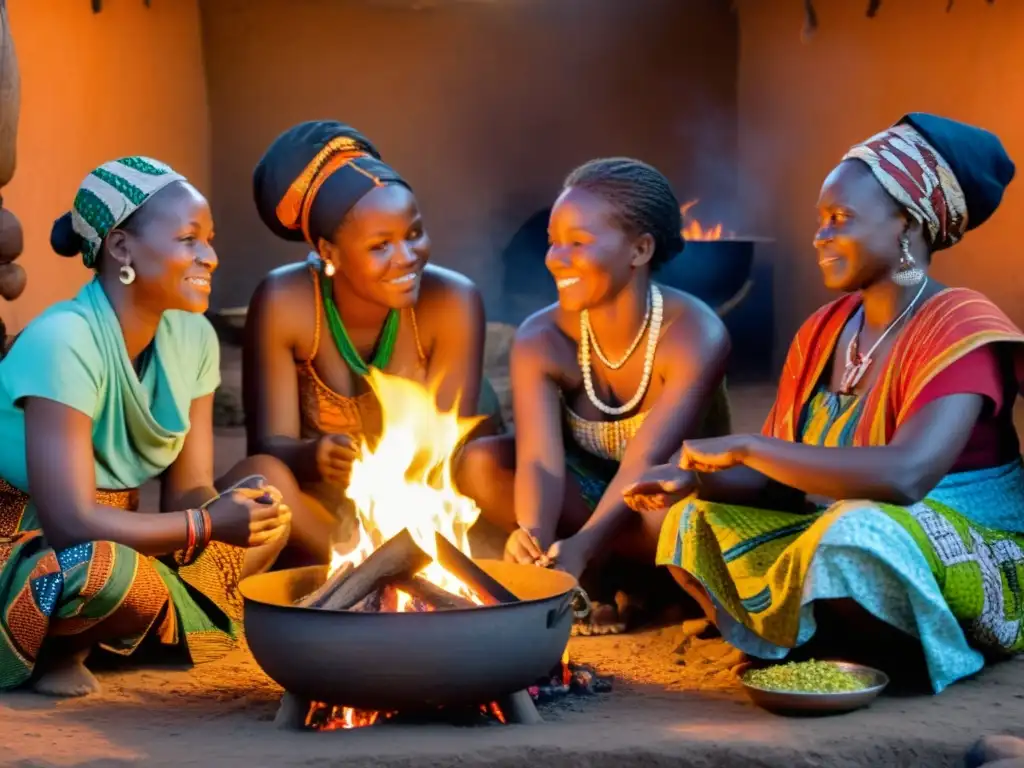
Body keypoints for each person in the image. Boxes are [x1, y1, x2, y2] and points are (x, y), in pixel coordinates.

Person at [625, 113, 1024, 692]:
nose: (821, 236)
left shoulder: (961, 325)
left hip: (962, 549)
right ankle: (823, 641)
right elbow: (784, 487)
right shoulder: (824, 330)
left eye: (841, 220)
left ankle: (912, 649)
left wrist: (747, 446)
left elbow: (907, 477)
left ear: (907, 226)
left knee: (855, 533)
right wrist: (698, 481)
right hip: (837, 525)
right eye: (820, 220)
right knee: (686, 521)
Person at [0, 156, 309, 698]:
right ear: (120, 247)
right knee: (101, 570)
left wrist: (233, 516)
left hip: (129, 543)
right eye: (190, 239)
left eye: (210, 240)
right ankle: (89, 633)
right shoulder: (63, 340)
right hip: (23, 548)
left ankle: (129, 624)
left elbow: (190, 490)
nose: (209, 258)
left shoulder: (193, 339)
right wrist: (205, 527)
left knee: (269, 500)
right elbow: (71, 522)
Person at [457, 158, 732, 634]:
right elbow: (540, 461)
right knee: (480, 462)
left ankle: (635, 582)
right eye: (552, 241)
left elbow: (647, 464)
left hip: (658, 514)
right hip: (581, 501)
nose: (555, 259)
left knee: (664, 507)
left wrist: (585, 545)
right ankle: (591, 579)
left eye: (578, 243)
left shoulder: (695, 334)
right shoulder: (541, 338)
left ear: (640, 249)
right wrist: (534, 536)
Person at [244, 121, 492, 557]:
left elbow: (444, 457)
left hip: (429, 503)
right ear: (328, 252)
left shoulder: (453, 301)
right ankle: (361, 567)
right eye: (381, 246)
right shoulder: (284, 302)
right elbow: (267, 445)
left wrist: (392, 502)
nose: (406, 258)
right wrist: (312, 456)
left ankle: (389, 565)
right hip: (325, 512)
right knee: (261, 478)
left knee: (483, 469)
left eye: (413, 234)